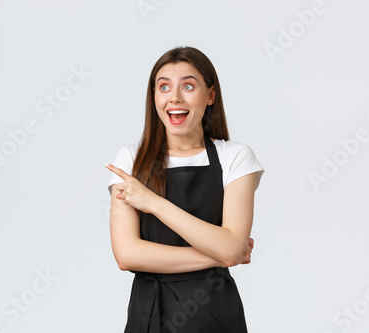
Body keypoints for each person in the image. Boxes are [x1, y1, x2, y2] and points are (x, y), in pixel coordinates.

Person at [105, 46, 265, 333]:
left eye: (188, 86)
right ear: (153, 96)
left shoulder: (235, 157)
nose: (174, 98)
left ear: (211, 95)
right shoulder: (130, 159)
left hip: (214, 314)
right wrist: (221, 254)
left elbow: (232, 249)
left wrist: (152, 202)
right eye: (163, 87)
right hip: (149, 313)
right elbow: (127, 255)